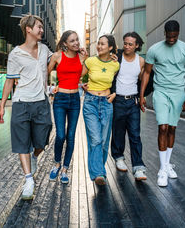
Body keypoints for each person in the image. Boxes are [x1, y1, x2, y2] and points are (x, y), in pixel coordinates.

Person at [0, 15, 53, 200]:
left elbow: (59, 60)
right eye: (39, 27)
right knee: (22, 142)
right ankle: (28, 180)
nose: (42, 30)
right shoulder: (15, 54)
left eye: (42, 27)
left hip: (41, 103)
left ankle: (35, 157)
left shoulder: (45, 50)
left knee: (43, 139)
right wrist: (2, 106)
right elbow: (9, 81)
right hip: (21, 102)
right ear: (28, 29)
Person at [140, 20, 185, 187]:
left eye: (175, 36)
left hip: (178, 93)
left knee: (172, 128)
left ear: (178, 33)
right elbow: (147, 73)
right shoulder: (154, 49)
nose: (172, 39)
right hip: (161, 92)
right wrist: (142, 95)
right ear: (164, 33)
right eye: (169, 36)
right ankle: (162, 169)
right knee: (163, 127)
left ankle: (167, 164)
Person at [47, 30, 88, 184]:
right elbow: (46, 72)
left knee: (71, 136)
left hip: (75, 100)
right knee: (60, 135)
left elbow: (80, 75)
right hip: (60, 99)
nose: (76, 43)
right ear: (65, 43)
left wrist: (85, 59)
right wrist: (50, 89)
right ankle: (56, 163)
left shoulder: (82, 57)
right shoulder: (58, 55)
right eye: (72, 41)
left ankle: (65, 169)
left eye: (77, 40)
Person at [82, 34, 120, 185]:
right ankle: (99, 173)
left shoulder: (115, 65)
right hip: (90, 102)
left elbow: (119, 82)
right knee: (95, 139)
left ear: (110, 47)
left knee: (103, 141)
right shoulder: (90, 61)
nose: (99, 46)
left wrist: (114, 94)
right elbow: (76, 75)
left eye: (103, 44)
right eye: (98, 43)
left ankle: (99, 169)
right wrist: (81, 85)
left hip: (106, 103)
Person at [110, 32, 147, 181]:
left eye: (130, 44)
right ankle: (119, 157)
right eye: (125, 43)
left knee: (135, 135)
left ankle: (138, 167)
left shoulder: (141, 61)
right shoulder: (117, 56)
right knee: (118, 132)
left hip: (133, 102)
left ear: (137, 45)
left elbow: (144, 81)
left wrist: (141, 97)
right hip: (118, 100)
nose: (127, 46)